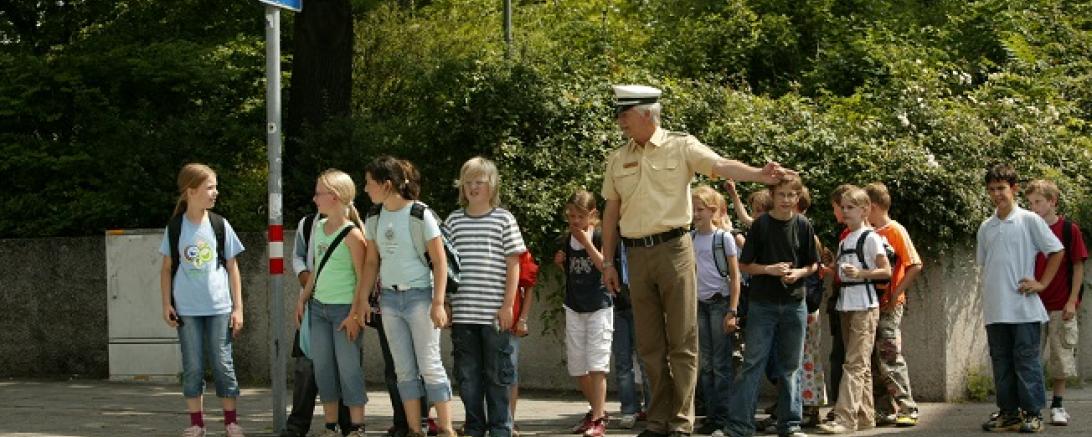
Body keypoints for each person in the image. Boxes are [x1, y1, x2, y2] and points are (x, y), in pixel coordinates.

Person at [600, 84, 792, 437]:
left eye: (624, 115)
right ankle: (657, 420)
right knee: (649, 344)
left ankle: (681, 422)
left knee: (683, 341)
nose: (619, 122)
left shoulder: (681, 144)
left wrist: (758, 174)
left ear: (645, 113)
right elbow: (611, 212)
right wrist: (608, 263)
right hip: (635, 255)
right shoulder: (617, 157)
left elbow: (718, 165)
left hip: (675, 249)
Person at [356, 156, 458, 437]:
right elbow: (371, 262)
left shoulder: (420, 214)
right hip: (389, 299)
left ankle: (447, 429)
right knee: (403, 369)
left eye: (369, 183)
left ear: (386, 185)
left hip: (420, 298)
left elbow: (439, 262)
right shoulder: (374, 216)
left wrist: (438, 302)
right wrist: (363, 299)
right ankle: (415, 429)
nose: (365, 189)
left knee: (430, 365)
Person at [723, 175, 818, 437]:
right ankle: (740, 426)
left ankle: (790, 425)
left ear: (797, 198)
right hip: (762, 305)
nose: (786, 200)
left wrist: (798, 274)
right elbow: (744, 265)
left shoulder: (803, 225)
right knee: (753, 364)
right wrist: (769, 270)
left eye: (791, 195)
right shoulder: (761, 225)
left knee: (791, 367)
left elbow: (814, 264)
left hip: (794, 303)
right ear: (772, 196)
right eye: (781, 195)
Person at [159, 163, 247, 437]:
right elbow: (165, 269)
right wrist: (166, 304)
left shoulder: (220, 225)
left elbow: (233, 267)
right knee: (193, 366)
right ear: (191, 191)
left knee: (223, 363)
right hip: (187, 310)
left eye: (215, 186)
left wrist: (238, 308)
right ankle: (196, 423)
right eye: (210, 187)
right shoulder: (175, 228)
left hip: (220, 308)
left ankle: (231, 422)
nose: (215, 192)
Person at [976, 163, 1064, 433]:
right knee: (1001, 365)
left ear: (1013, 189)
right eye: (992, 190)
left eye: (1001, 188)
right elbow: (985, 265)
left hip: (1023, 309)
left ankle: (1033, 414)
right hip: (995, 309)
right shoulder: (986, 226)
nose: (997, 194)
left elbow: (1056, 251)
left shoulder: (1029, 220)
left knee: (1026, 363)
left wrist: (1042, 283)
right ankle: (1009, 413)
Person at [445, 156, 526, 437]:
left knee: (498, 375)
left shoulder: (504, 219)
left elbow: (514, 264)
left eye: (479, 182)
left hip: (494, 314)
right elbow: (445, 266)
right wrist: (445, 303)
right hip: (463, 313)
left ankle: (501, 428)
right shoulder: (453, 221)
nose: (473, 187)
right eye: (468, 182)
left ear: (491, 185)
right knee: (467, 377)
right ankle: (474, 427)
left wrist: (507, 306)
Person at [293, 169, 369, 437]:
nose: (314, 199)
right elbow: (315, 271)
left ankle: (357, 427)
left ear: (334, 197)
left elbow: (363, 280)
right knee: (323, 370)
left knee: (349, 370)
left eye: (319, 194)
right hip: (319, 310)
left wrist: (355, 315)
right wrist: (303, 299)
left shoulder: (353, 235)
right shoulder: (318, 228)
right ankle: (330, 426)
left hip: (343, 312)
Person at [816, 188, 891, 435]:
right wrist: (831, 269)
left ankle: (846, 419)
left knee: (854, 364)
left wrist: (861, 274)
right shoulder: (846, 238)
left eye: (850, 207)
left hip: (864, 305)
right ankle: (865, 416)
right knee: (860, 365)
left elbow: (886, 271)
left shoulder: (871, 237)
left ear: (865, 210)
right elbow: (841, 271)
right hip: (847, 304)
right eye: (843, 207)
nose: (845, 211)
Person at [1024, 179, 1086, 426]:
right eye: (1030, 203)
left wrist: (1072, 301)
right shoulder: (1027, 228)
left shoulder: (1069, 230)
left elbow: (1078, 266)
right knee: (1030, 358)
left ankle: (1058, 405)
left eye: (1038, 202)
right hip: (1032, 304)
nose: (1034, 207)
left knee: (1061, 357)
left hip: (1061, 304)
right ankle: (1032, 406)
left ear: (1052, 202)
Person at [285, 211, 352, 437]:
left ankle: (348, 424)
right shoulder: (307, 223)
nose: (315, 198)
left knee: (344, 366)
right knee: (305, 365)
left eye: (320, 193)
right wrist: (305, 280)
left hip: (341, 304)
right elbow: (298, 256)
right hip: (313, 301)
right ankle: (297, 426)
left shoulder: (351, 222)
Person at [862, 183, 923, 427]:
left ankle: (907, 407)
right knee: (874, 357)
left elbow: (915, 264)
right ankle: (884, 408)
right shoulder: (869, 232)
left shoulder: (895, 230)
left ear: (873, 207)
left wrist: (894, 294)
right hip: (871, 302)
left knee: (889, 354)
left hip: (889, 303)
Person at [556, 190, 614, 437]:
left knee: (597, 365)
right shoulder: (566, 239)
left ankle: (599, 418)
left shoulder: (600, 236)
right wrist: (561, 261)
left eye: (579, 216)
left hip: (599, 306)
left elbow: (605, 266)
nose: (574, 221)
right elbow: (571, 272)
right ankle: (595, 410)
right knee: (579, 367)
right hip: (574, 306)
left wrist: (587, 242)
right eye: (570, 216)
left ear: (592, 215)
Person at [690, 186, 741, 437]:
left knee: (721, 363)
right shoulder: (690, 238)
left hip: (720, 304)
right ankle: (710, 415)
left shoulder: (724, 238)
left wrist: (732, 310)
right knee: (706, 363)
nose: (695, 214)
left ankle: (722, 417)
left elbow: (735, 277)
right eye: (693, 209)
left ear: (712, 211)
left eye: (700, 209)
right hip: (699, 306)